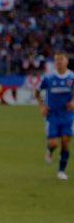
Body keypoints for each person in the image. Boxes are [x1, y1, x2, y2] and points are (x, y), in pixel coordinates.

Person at [38, 52, 72, 180]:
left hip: (68, 116)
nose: (59, 62)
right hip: (52, 116)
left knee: (65, 143)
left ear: (66, 61)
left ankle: (61, 171)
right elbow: (37, 92)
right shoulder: (48, 78)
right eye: (57, 60)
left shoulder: (72, 78)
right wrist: (42, 106)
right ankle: (50, 150)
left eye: (61, 60)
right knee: (54, 143)